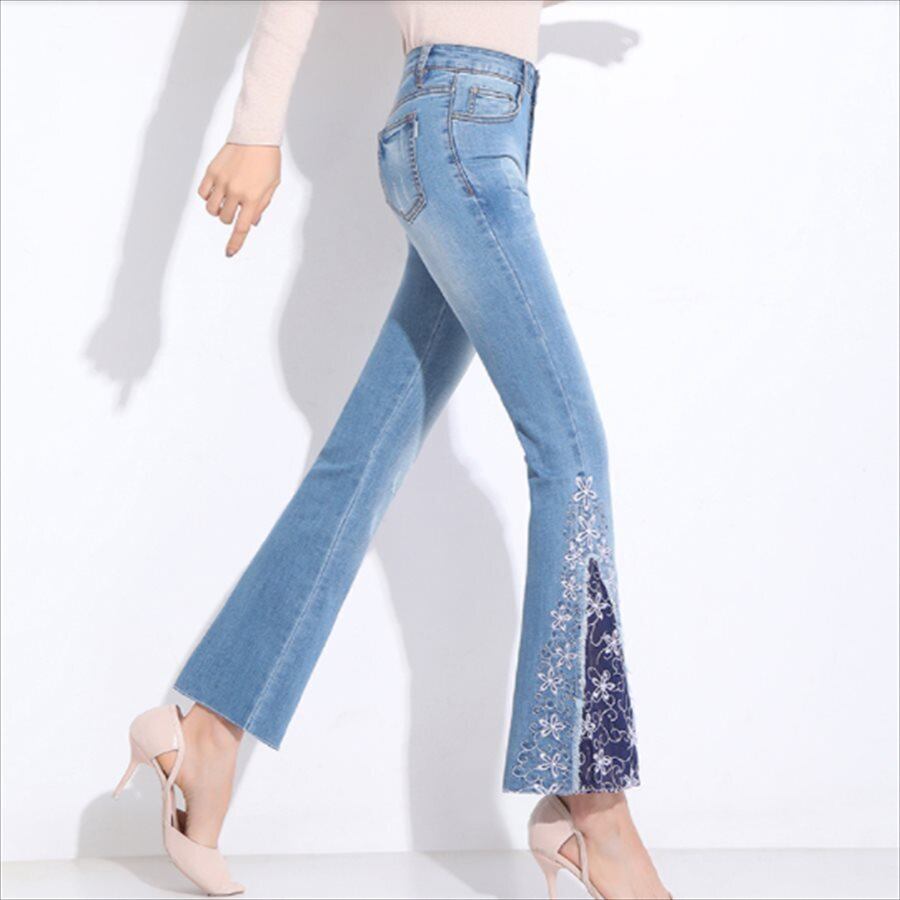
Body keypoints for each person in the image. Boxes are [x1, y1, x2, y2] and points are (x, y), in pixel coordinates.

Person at [114, 3, 670, 898]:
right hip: (461, 128)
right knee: (571, 453)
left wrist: (560, 31)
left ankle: (206, 734)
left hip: (479, 130)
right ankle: (593, 808)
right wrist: (255, 130)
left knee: (360, 471)